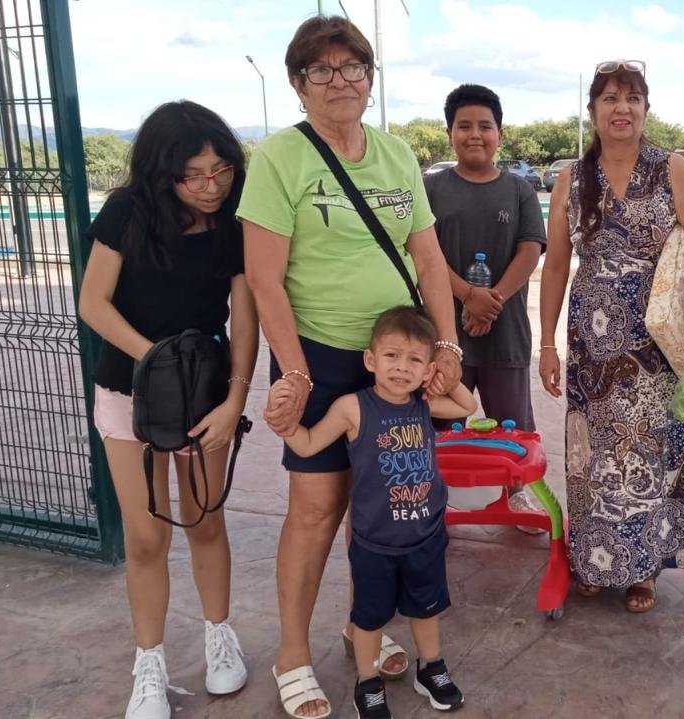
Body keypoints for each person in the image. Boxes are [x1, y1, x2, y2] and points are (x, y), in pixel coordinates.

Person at [237, 15, 461, 719]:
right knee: (315, 508)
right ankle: (292, 653)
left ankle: (361, 624)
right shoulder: (279, 158)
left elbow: (429, 260)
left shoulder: (396, 155)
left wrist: (447, 347)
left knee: (381, 501)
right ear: (298, 83)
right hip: (321, 356)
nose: (339, 81)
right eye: (321, 69)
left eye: (352, 67)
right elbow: (264, 279)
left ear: (370, 77)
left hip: (397, 360)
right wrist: (295, 374)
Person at [77, 100, 257, 719]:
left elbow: (245, 319)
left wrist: (235, 399)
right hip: (127, 393)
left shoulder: (234, 222)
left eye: (221, 170)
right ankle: (149, 664)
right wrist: (156, 361)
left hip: (206, 397)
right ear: (162, 173)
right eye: (193, 175)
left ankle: (219, 637)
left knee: (205, 519)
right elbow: (93, 303)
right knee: (147, 536)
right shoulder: (127, 212)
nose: (211, 186)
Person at [538, 59, 684, 613]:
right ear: (593, 110)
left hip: (658, 347)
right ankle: (595, 559)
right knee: (594, 454)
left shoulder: (671, 170)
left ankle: (644, 567)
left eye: (632, 98)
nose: (622, 108)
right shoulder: (572, 179)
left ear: (646, 108)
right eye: (610, 98)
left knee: (651, 451)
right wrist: (546, 343)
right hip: (591, 346)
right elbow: (556, 266)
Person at [268, 307, 476, 718]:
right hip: (374, 543)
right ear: (370, 359)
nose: (401, 368)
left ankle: (431, 667)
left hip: (424, 536)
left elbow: (466, 404)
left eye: (414, 360)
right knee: (368, 617)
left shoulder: (424, 405)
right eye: (391, 356)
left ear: (427, 369)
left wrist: (443, 379)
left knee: (427, 608)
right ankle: (368, 682)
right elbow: (308, 444)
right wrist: (285, 423)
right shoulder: (353, 408)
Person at [424, 83, 547, 531]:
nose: (474, 134)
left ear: (500, 134)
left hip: (505, 330)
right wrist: (467, 296)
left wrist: (490, 301)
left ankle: (518, 495)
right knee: (439, 424)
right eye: (464, 126)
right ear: (450, 133)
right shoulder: (431, 188)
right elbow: (425, 253)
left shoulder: (519, 189)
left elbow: (530, 249)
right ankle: (433, 502)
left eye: (485, 126)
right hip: (444, 333)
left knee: (513, 426)